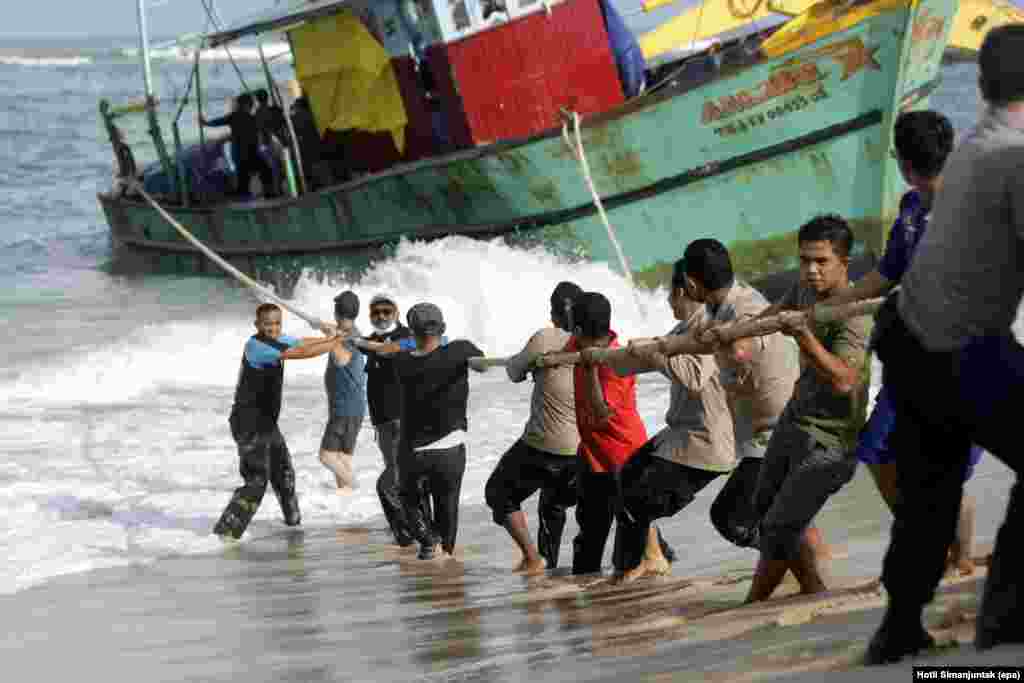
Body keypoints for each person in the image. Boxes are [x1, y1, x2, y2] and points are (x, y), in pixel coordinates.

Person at [865, 25, 1024, 664]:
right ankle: (1005, 622)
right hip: (958, 349)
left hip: (908, 342)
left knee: (927, 498)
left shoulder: (976, 151)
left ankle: (898, 627)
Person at [815, 110, 982, 576]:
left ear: (904, 162)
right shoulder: (911, 209)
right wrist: (834, 303)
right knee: (879, 452)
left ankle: (961, 560)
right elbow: (886, 272)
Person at [744, 214, 873, 603]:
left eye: (821, 262)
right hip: (795, 420)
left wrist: (803, 336)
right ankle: (812, 588)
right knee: (762, 510)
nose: (811, 270)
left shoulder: (855, 311)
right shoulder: (802, 290)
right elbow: (773, 317)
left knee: (781, 525)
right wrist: (734, 333)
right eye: (804, 261)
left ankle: (754, 602)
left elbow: (845, 380)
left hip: (833, 441)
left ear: (843, 262)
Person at [610, 260, 736, 582]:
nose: (668, 302)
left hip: (705, 441)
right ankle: (652, 557)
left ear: (682, 291)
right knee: (628, 476)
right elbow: (637, 364)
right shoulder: (681, 330)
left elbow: (693, 376)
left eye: (670, 294)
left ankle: (634, 564)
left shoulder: (708, 326)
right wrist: (610, 358)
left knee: (640, 500)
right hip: (680, 434)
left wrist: (653, 354)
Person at [674, 240, 801, 554]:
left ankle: (795, 569)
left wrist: (722, 339)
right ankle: (791, 567)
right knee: (776, 517)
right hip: (765, 430)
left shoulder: (744, 308)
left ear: (691, 283)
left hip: (778, 432)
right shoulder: (722, 306)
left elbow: (742, 349)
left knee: (730, 518)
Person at [213, 303, 339, 539]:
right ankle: (226, 533)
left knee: (284, 474)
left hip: (267, 424)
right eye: (267, 324)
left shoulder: (278, 340)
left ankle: (293, 524)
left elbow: (302, 343)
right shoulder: (256, 347)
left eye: (277, 323)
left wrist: (328, 333)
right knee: (257, 481)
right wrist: (333, 343)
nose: (273, 328)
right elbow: (300, 353)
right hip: (248, 423)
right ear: (257, 325)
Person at [484, 282, 583, 574]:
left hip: (543, 445)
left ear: (553, 314)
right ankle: (547, 562)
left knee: (498, 493)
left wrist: (530, 366)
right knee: (552, 500)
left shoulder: (545, 337)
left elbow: (514, 371)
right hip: (582, 447)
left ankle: (533, 558)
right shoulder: (597, 340)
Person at [389, 303, 485, 560]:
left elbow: (402, 352)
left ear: (412, 332)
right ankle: (447, 553)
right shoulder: (460, 350)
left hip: (414, 452)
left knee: (409, 499)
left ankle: (428, 541)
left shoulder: (402, 363)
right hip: (450, 450)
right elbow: (482, 365)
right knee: (448, 505)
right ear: (442, 328)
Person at [567, 292, 648, 575]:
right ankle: (585, 581)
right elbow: (564, 350)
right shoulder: (576, 343)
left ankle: (651, 567)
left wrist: (589, 369)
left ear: (577, 329)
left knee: (629, 526)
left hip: (621, 456)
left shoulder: (617, 362)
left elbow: (602, 413)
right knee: (590, 531)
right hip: (593, 453)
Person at [358, 293, 431, 546]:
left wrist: (356, 340)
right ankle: (413, 523)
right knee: (396, 472)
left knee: (401, 474)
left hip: (403, 418)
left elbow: (392, 350)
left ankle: (413, 528)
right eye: (376, 312)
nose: (381, 316)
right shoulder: (371, 339)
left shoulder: (406, 337)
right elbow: (355, 342)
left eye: (386, 312)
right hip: (382, 420)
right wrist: (339, 333)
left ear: (396, 314)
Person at [319, 291, 366, 493]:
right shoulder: (351, 332)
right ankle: (348, 502)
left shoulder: (349, 337)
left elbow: (343, 359)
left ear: (337, 312)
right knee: (343, 457)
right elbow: (338, 336)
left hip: (345, 408)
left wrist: (331, 338)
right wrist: (325, 329)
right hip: (352, 406)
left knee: (327, 456)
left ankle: (354, 485)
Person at [201, 92, 276, 199]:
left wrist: (206, 123)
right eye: (251, 104)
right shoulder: (239, 116)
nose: (252, 106)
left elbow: (219, 122)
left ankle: (259, 194)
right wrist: (206, 123)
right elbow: (219, 122)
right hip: (244, 153)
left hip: (244, 153)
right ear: (246, 104)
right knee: (260, 171)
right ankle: (265, 194)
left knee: (252, 174)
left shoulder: (243, 116)